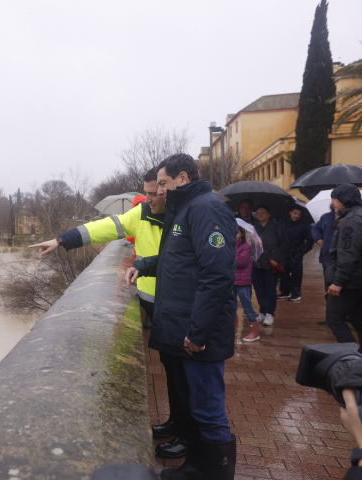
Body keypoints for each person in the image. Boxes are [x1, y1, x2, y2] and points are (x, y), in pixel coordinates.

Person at [29, 168, 188, 460]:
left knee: (186, 375)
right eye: (148, 192)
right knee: (170, 369)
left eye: (155, 193)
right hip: (155, 306)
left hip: (180, 306)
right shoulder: (140, 214)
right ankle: (176, 423)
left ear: (168, 190)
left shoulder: (185, 215)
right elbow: (105, 227)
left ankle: (188, 437)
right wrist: (62, 240)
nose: (149, 198)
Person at [126, 154, 236, 480]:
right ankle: (197, 468)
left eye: (162, 183)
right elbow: (177, 259)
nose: (158, 191)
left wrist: (198, 332)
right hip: (188, 326)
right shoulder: (187, 209)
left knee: (208, 407)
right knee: (197, 404)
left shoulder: (206, 208)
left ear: (182, 179)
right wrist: (143, 265)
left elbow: (216, 274)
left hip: (200, 332)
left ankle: (213, 473)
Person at [325, 184, 362, 356]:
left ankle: (352, 358)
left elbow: (347, 255)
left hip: (352, 282)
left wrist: (338, 282)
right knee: (361, 320)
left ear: (344, 200)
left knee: (334, 318)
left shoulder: (353, 220)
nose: (333, 203)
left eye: (335, 198)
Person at [251, 205, 287, 326]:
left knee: (270, 289)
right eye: (257, 212)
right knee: (259, 289)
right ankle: (262, 311)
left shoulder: (277, 227)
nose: (260, 214)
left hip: (271, 264)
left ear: (269, 214)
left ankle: (269, 313)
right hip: (256, 264)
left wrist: (276, 258)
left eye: (263, 212)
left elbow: (284, 244)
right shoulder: (253, 227)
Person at [278, 206, 315, 301]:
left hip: (297, 253)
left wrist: (303, 251)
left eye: (299, 214)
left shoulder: (305, 224)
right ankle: (284, 292)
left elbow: (310, 240)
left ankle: (295, 293)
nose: (297, 216)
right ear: (290, 212)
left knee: (296, 273)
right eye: (295, 213)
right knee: (283, 273)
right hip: (284, 252)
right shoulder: (282, 222)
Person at [234, 226, 259, 342]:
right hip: (230, 281)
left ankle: (255, 332)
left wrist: (228, 256)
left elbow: (241, 262)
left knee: (247, 307)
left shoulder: (247, 247)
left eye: (237, 233)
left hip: (242, 283)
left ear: (242, 234)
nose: (234, 235)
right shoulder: (228, 246)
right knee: (231, 307)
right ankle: (233, 330)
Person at [312, 205, 337, 276]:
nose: (333, 202)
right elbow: (315, 228)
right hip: (327, 257)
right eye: (333, 199)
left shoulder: (350, 218)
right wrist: (318, 239)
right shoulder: (325, 217)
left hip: (342, 258)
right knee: (328, 282)